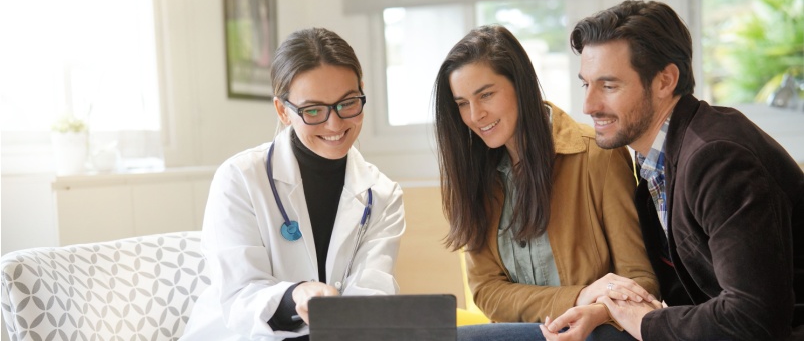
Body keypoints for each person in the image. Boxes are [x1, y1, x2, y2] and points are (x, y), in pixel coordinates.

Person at [544, 0, 804, 341]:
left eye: (608, 86)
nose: (589, 105)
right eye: (586, 84)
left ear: (665, 81)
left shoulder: (717, 158)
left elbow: (753, 318)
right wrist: (609, 310)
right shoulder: (655, 159)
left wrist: (644, 322)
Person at [432, 24, 659, 341]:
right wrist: (579, 296)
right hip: (532, 331)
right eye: (462, 103)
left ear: (521, 85)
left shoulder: (597, 155)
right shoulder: (472, 176)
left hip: (597, 331)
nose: (475, 115)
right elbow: (488, 292)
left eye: (486, 95)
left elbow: (639, 278)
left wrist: (595, 310)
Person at [181, 28, 406, 340]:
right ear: (282, 111)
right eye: (313, 110)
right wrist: (296, 295)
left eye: (348, 103)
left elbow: (372, 290)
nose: (335, 123)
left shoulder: (381, 194)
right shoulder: (240, 178)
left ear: (362, 91)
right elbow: (240, 295)